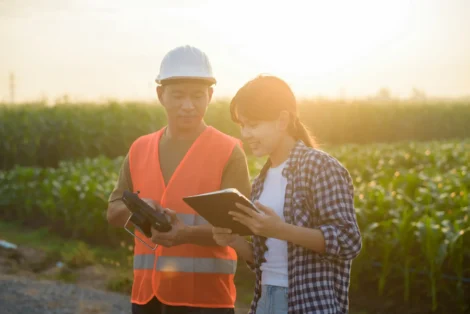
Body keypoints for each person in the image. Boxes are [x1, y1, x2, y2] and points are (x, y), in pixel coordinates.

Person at [107, 45, 252, 314]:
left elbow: (242, 229)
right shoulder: (139, 148)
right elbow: (113, 212)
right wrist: (139, 208)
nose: (188, 106)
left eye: (197, 96)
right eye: (178, 95)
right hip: (146, 299)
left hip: (208, 301)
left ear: (210, 95)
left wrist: (186, 234)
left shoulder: (229, 152)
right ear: (161, 95)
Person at [212, 75, 362, 314]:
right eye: (242, 125)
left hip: (309, 304)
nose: (245, 134)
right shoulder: (261, 180)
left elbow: (348, 240)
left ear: (282, 120)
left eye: (253, 124)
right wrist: (234, 241)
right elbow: (265, 260)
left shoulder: (320, 167)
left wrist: (278, 229)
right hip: (265, 301)